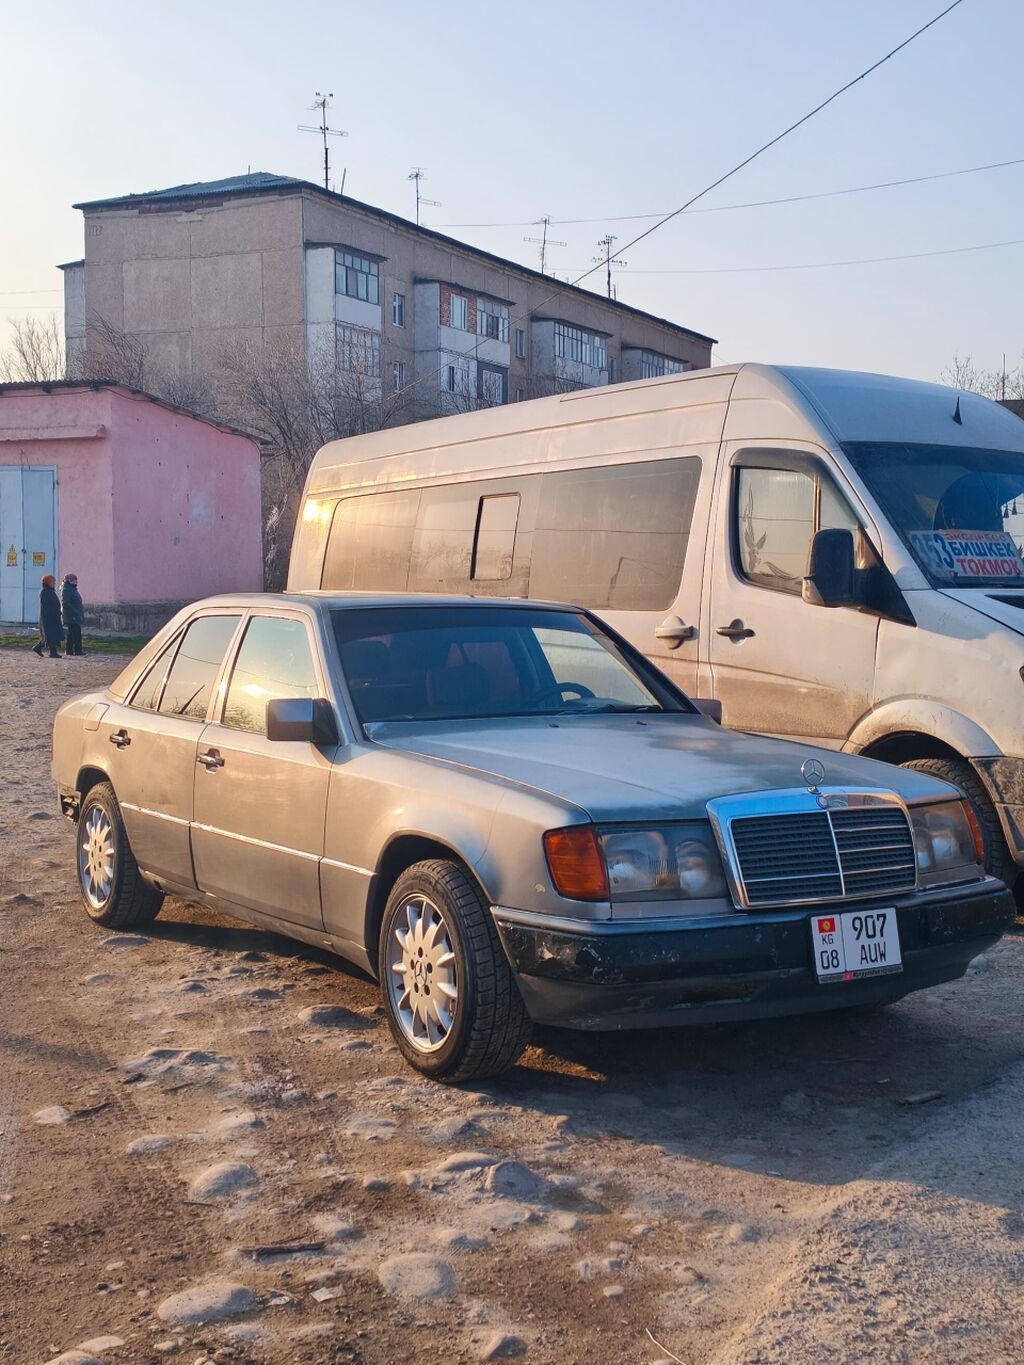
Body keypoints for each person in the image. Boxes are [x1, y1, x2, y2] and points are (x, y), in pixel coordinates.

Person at [33, 574, 63, 659]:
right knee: (50, 635)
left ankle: (38, 648)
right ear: (48, 582)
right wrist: (53, 612)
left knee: (50, 635)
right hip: (48, 617)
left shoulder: (50, 591)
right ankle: (52, 652)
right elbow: (46, 606)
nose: (54, 583)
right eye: (53, 581)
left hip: (53, 616)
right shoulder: (45, 592)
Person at [61, 573, 84, 656]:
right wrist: (74, 611)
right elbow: (65, 603)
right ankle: (77, 650)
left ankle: (70, 650)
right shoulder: (67, 590)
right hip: (71, 616)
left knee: (71, 634)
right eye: (75, 580)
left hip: (75, 615)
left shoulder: (72, 589)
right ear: (70, 581)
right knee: (76, 633)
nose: (76, 581)